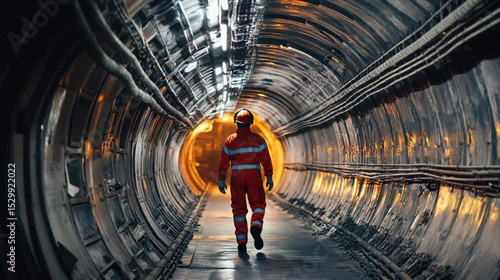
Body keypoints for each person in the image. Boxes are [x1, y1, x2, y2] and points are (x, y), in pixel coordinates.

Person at [217, 108, 274, 252]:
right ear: (251, 123)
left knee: (238, 209)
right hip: (253, 176)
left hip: (237, 177)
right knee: (258, 204)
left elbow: (224, 162)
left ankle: (241, 242)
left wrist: (221, 179)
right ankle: (256, 225)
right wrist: (269, 175)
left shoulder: (230, 140)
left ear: (236, 123)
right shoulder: (258, 139)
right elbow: (266, 159)